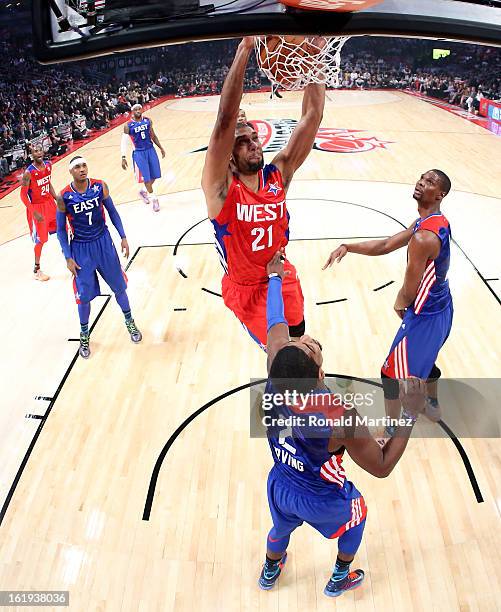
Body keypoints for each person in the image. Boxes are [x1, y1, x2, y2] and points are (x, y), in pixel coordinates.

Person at [259, 251, 425, 597]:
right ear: (320, 373)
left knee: (279, 527)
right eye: (308, 347)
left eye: (298, 340)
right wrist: (410, 411)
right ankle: (339, 578)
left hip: (281, 481)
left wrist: (275, 277)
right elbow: (381, 466)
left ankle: (270, 570)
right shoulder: (340, 416)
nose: (303, 339)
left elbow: (275, 324)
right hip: (320, 495)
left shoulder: (279, 373)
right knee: (358, 515)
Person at [202, 36, 325, 349]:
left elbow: (312, 117)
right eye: (243, 141)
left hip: (282, 276)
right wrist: (245, 47)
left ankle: (305, 391)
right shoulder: (221, 189)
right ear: (228, 156)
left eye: (255, 137)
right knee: (284, 361)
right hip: (248, 291)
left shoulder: (277, 175)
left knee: (302, 348)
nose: (254, 142)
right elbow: (225, 119)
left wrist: (314, 59)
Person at [323, 169, 453, 426]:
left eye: (429, 182)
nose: (420, 183)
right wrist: (349, 247)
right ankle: (433, 405)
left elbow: (410, 289)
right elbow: (386, 245)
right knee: (426, 360)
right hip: (443, 308)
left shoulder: (423, 237)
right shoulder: (435, 222)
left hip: (425, 315)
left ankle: (391, 427)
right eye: (421, 177)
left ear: (441, 194)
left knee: (389, 374)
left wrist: (398, 303)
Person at [56, 156, 142, 359]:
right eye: (77, 167)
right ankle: (84, 335)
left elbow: (112, 211)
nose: (82, 169)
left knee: (119, 287)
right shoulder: (64, 196)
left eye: (84, 165)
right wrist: (67, 256)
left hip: (104, 243)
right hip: (80, 249)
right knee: (83, 297)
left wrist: (123, 236)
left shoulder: (100, 186)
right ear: (71, 172)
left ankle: (130, 322)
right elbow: (60, 230)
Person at [20, 145, 57, 281]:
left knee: (63, 229)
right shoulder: (28, 173)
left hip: (50, 204)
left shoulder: (48, 165)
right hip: (37, 208)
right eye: (35, 151)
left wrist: (56, 197)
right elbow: (23, 195)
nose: (39, 153)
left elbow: (48, 183)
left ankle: (70, 258)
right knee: (41, 240)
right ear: (31, 155)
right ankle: (37, 269)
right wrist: (33, 212)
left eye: (40, 150)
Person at [121, 103, 165, 212]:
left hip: (150, 150)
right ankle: (154, 199)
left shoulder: (148, 121)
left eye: (139, 109)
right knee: (147, 178)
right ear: (132, 111)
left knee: (155, 175)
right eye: (135, 109)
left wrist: (161, 147)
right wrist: (123, 157)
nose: (138, 111)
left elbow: (153, 136)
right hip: (139, 153)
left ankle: (143, 191)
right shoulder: (128, 126)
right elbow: (124, 142)